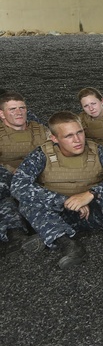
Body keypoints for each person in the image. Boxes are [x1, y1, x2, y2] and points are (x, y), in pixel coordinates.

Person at [11, 111, 103, 268]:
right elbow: (18, 186)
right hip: (60, 216)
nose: (77, 140)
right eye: (68, 136)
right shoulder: (41, 155)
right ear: (54, 139)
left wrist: (91, 194)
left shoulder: (98, 151)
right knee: (28, 203)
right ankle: (68, 245)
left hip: (94, 213)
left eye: (80, 132)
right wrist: (64, 201)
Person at [0, 92, 47, 247]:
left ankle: (20, 236)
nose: (18, 112)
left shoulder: (40, 130)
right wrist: (11, 170)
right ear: (2, 114)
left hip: (37, 178)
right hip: (8, 178)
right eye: (12, 109)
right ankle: (17, 236)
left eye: (22, 108)